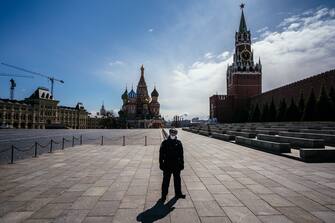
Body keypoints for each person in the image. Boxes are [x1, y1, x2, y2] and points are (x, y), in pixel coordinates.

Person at [159, 128, 186, 202]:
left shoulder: (179, 143)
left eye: (174, 133)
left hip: (176, 165)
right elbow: (161, 155)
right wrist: (161, 164)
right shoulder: (164, 143)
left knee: (177, 180)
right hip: (167, 165)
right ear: (170, 133)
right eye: (171, 133)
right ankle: (163, 196)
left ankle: (178, 194)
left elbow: (181, 155)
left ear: (176, 134)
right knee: (166, 181)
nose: (173, 134)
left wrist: (182, 163)